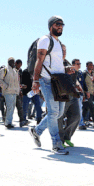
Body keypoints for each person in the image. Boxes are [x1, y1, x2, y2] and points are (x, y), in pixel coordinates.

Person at [28, 15, 72, 155]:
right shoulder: (45, 40)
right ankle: (56, 144)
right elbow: (39, 61)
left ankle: (37, 130)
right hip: (46, 80)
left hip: (59, 81)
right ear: (50, 26)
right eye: (57, 24)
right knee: (53, 112)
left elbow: (56, 64)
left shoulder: (58, 43)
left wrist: (66, 70)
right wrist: (35, 81)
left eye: (62, 24)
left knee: (58, 114)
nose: (60, 26)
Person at [58, 57, 86, 147]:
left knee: (76, 116)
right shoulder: (60, 64)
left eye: (79, 63)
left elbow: (75, 79)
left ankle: (67, 137)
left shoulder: (71, 67)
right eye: (77, 64)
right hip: (63, 95)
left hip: (73, 95)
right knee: (60, 117)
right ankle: (60, 140)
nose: (79, 65)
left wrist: (78, 85)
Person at [0, 57, 20, 129]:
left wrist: (18, 90)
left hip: (14, 92)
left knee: (12, 108)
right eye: (11, 61)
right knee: (9, 107)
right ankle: (7, 123)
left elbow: (17, 82)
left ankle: (9, 122)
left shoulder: (15, 70)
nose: (13, 63)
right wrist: (6, 86)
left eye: (13, 61)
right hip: (8, 92)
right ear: (9, 62)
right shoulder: (4, 70)